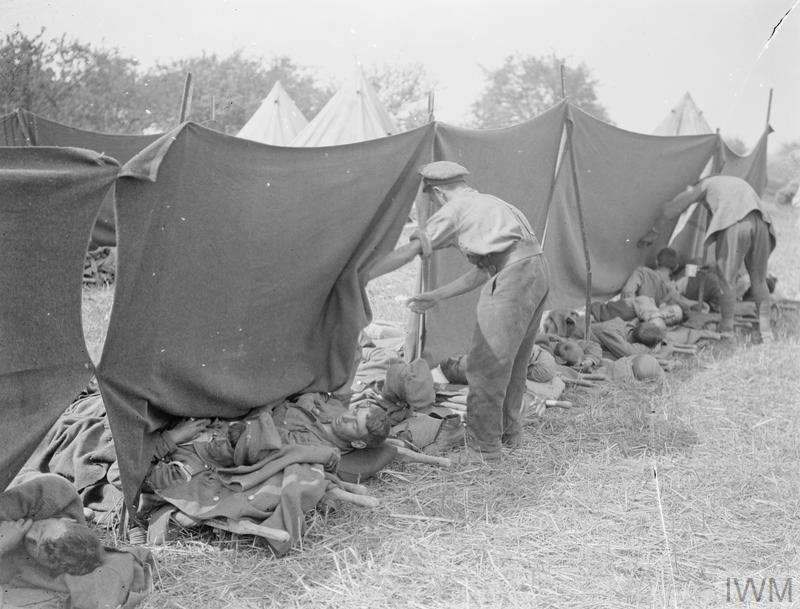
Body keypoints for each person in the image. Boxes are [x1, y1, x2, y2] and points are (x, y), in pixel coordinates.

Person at [367, 161, 549, 461]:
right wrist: (438, 295)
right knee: (514, 361)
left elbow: (410, 250)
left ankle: (484, 448)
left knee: (485, 364)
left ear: (437, 193)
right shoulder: (491, 203)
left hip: (513, 276)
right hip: (535, 270)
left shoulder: (454, 209)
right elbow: (486, 269)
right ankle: (508, 433)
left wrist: (363, 275)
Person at [638, 175, 775, 339]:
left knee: (727, 281)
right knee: (759, 280)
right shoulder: (727, 184)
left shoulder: (704, 185)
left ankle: (726, 331)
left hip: (736, 220)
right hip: (762, 221)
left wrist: (652, 232)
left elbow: (672, 208)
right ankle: (766, 332)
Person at [0, 474, 103, 579]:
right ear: (68, 520)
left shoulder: (53, 541)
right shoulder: (50, 492)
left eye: (32, 543)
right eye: (40, 530)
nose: (28, 534)